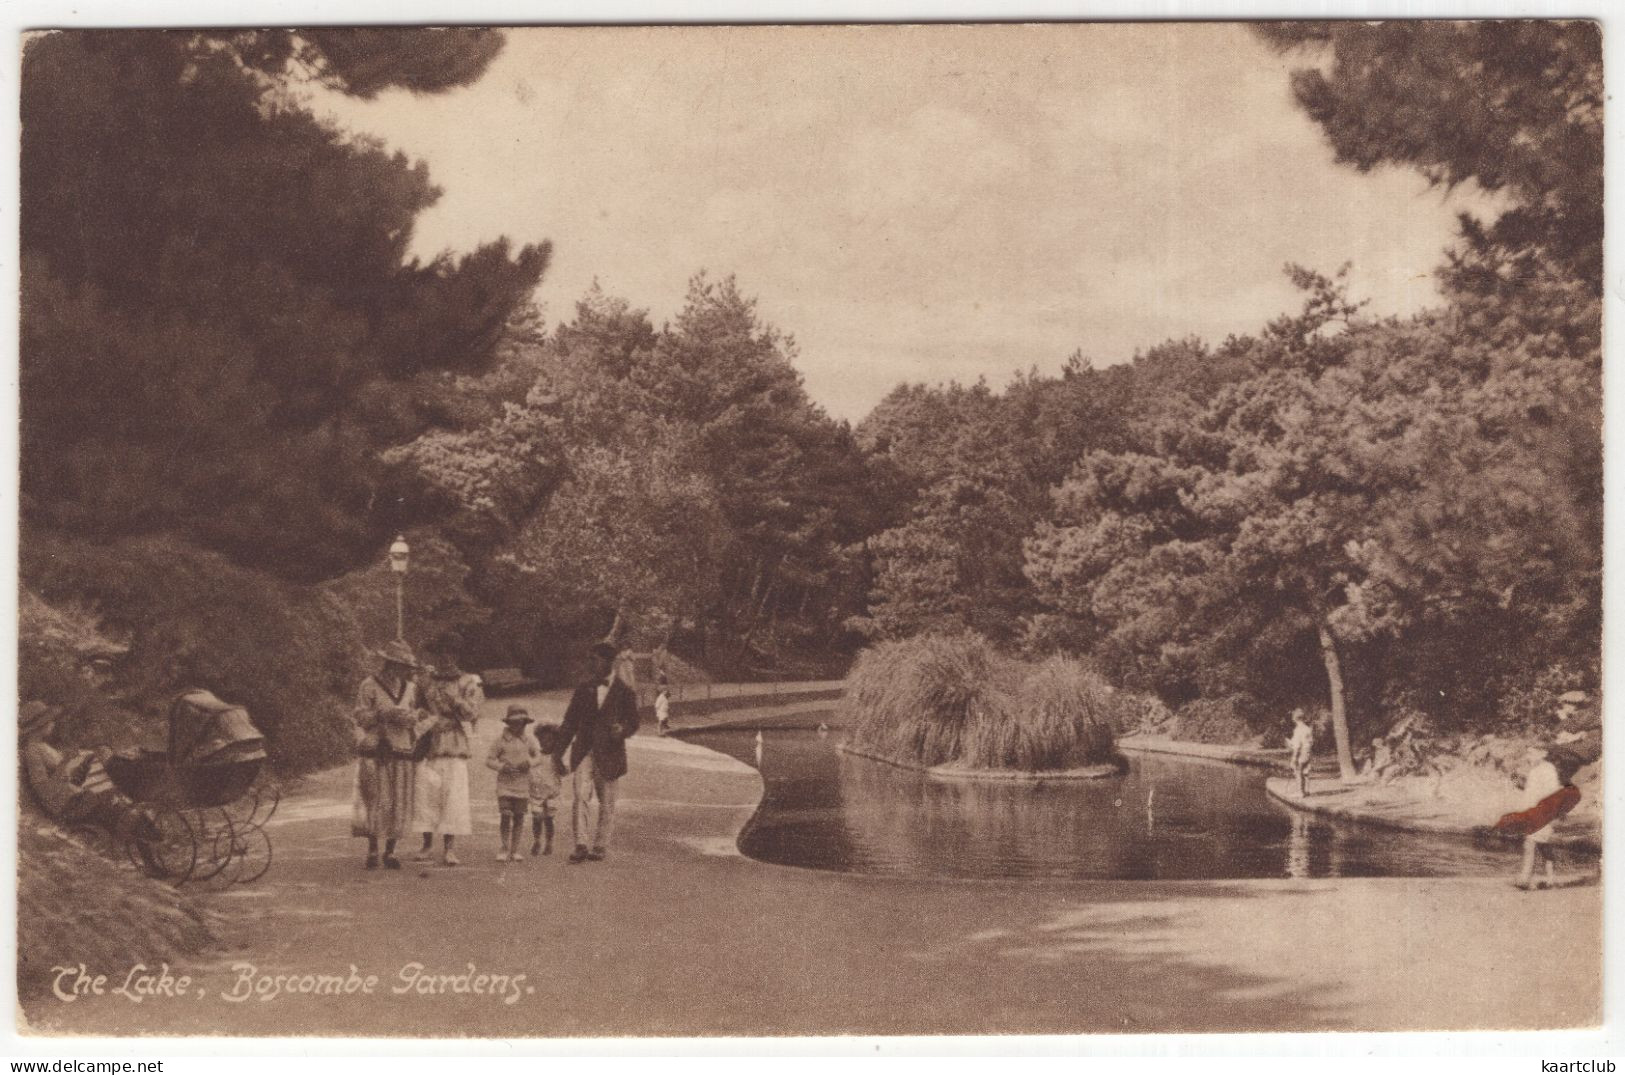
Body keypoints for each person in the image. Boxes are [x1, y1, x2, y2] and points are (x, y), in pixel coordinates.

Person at [552, 640, 641, 864]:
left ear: (609, 662)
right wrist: (557, 753)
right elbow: (570, 722)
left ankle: (600, 845)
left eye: (595, 660)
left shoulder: (625, 691)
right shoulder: (584, 688)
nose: (591, 664)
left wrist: (623, 730)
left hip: (610, 752)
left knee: (607, 801)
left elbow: (634, 722)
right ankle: (580, 844)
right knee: (580, 796)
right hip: (583, 750)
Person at [351, 640, 434, 870]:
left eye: (407, 667)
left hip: (402, 747)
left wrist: (414, 717)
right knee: (376, 798)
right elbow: (359, 717)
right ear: (390, 664)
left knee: (398, 800)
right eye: (401, 666)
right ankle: (372, 849)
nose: (405, 671)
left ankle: (390, 850)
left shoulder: (410, 688)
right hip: (376, 748)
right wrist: (382, 714)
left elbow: (421, 715)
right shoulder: (369, 685)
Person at [410, 654, 483, 867]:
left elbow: (473, 713)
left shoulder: (467, 681)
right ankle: (426, 844)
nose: (446, 658)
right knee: (426, 795)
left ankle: (449, 848)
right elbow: (415, 707)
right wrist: (426, 717)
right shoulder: (425, 682)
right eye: (443, 652)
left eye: (451, 652)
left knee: (453, 796)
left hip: (453, 742)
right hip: (429, 742)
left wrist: (456, 700)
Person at [487, 706, 539, 863]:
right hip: (505, 784)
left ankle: (515, 850)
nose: (518, 726)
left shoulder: (529, 740)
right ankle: (504, 847)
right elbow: (489, 760)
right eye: (514, 723)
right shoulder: (500, 741)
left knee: (519, 817)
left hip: (522, 785)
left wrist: (529, 763)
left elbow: (538, 757)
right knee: (505, 814)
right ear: (509, 723)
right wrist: (502, 767)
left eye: (522, 723)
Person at [1516, 746, 1566, 890]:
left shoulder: (1547, 769)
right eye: (1528, 753)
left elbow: (1553, 792)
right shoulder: (1535, 770)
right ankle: (1551, 880)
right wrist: (1518, 782)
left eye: (1531, 753)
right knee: (1544, 846)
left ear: (1543, 753)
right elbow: (1531, 791)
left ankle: (1526, 880)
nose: (1528, 756)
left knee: (1530, 844)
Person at [529, 723, 563, 856]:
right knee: (536, 817)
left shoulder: (556, 757)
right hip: (536, 792)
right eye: (542, 739)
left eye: (550, 740)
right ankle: (537, 839)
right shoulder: (535, 755)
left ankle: (549, 841)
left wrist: (562, 766)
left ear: (555, 740)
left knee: (549, 819)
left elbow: (564, 771)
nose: (545, 743)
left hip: (552, 793)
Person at [1287, 708, 1314, 798]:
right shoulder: (1308, 729)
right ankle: (1306, 791)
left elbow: (1297, 746)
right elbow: (1311, 742)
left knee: (1298, 772)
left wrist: (1294, 757)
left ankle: (1300, 793)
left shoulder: (1298, 730)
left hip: (1301, 752)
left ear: (1295, 719)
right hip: (1308, 752)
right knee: (1305, 772)